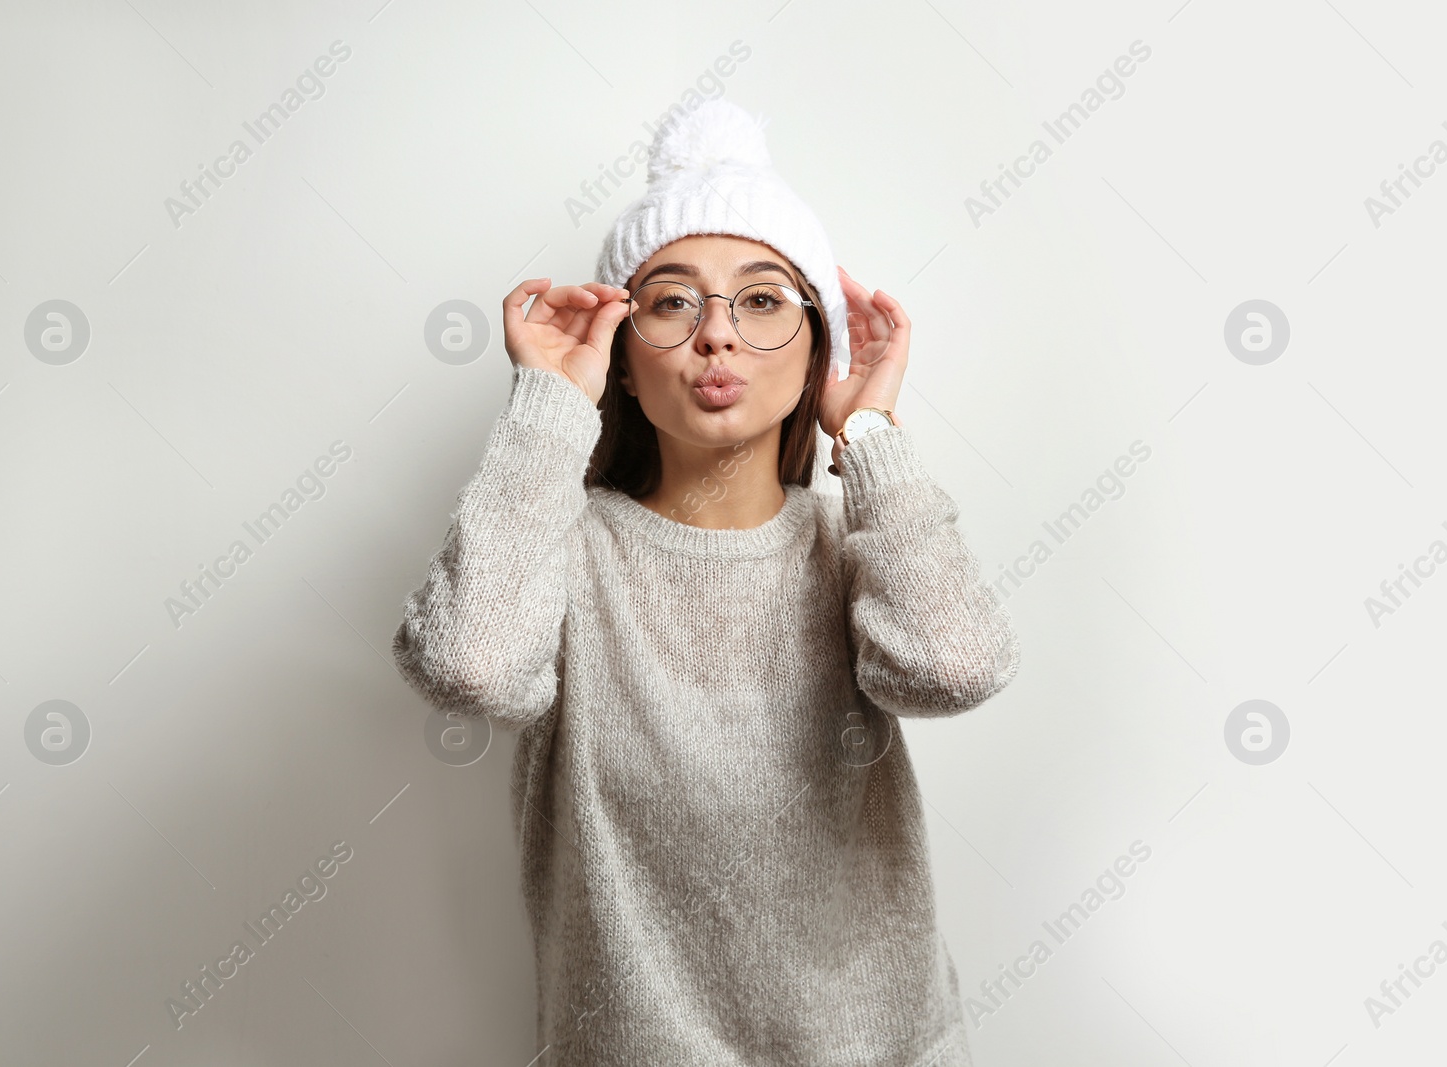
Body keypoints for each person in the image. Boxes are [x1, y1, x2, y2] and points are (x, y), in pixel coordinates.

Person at [393, 98, 1019, 1067]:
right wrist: (550, 407)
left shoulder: (853, 543)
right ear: (626, 362)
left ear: (819, 349)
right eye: (672, 301)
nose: (716, 335)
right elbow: (471, 667)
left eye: (764, 300)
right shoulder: (563, 547)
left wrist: (871, 437)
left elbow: (953, 669)